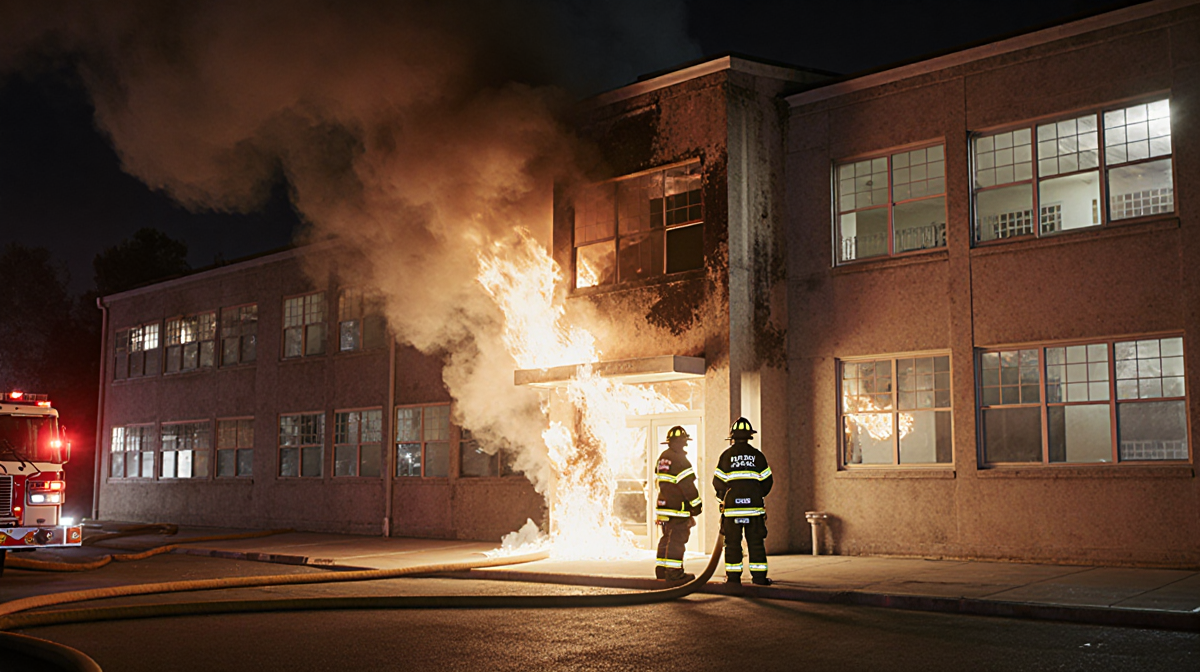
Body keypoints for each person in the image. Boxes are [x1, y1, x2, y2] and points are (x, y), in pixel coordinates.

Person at [713, 417, 773, 586]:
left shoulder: (726, 456)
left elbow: (717, 482)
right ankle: (759, 578)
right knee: (756, 543)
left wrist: (725, 498)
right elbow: (768, 481)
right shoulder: (757, 456)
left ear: (732, 437)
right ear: (749, 436)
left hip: (732, 511)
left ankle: (733, 579)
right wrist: (756, 495)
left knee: (732, 544)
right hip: (753, 510)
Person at [654, 425, 703, 581]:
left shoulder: (663, 458)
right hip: (677, 508)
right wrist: (696, 505)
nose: (684, 445)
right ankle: (674, 573)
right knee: (677, 540)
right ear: (682, 442)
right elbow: (687, 486)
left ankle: (661, 570)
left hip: (664, 507)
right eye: (683, 442)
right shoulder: (680, 460)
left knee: (666, 538)